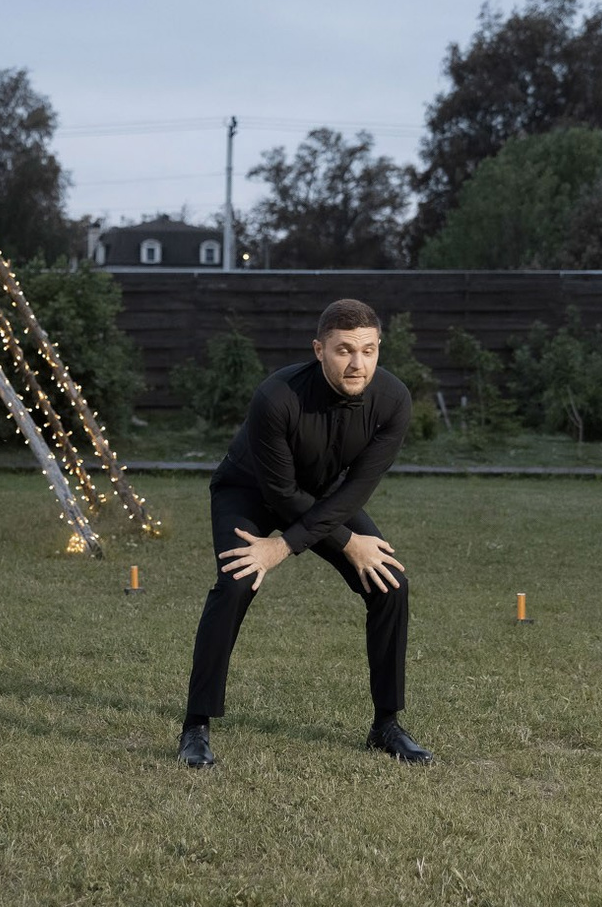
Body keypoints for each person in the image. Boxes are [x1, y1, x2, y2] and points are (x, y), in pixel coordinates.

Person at [178, 297, 432, 768]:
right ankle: (196, 726)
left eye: (369, 350)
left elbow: (357, 488)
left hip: (331, 498)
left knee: (390, 583)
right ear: (319, 350)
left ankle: (387, 724)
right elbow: (279, 492)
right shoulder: (277, 396)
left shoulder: (393, 400)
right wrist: (327, 542)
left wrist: (329, 541)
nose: (358, 363)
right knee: (236, 583)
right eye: (344, 350)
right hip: (249, 489)